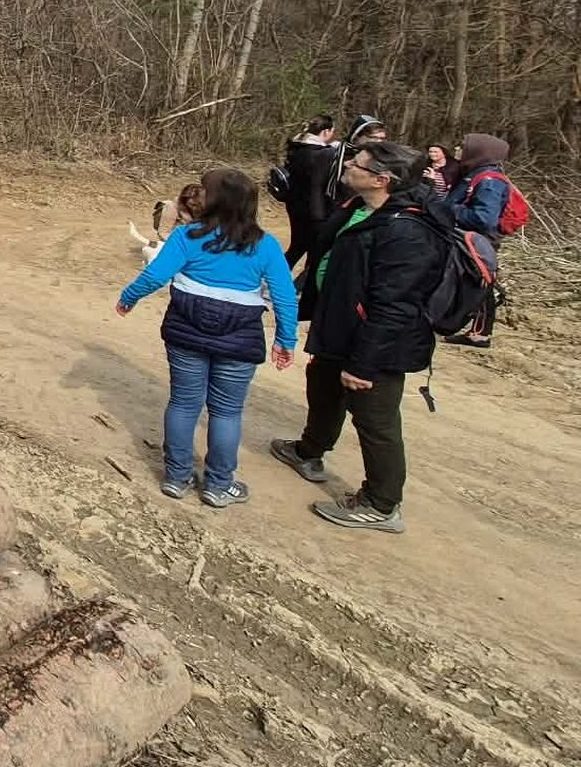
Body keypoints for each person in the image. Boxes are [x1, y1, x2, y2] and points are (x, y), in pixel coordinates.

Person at [270, 141, 444, 534]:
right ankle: (309, 452)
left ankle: (381, 504)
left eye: (358, 163)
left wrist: (364, 363)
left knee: (375, 419)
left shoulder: (408, 231)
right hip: (339, 325)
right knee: (324, 387)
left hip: (377, 343)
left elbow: (395, 305)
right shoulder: (357, 207)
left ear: (383, 180)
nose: (348, 164)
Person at [115, 169, 298, 505]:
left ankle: (177, 477)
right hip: (240, 339)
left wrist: (128, 298)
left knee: (184, 403)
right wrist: (285, 341)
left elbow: (155, 274)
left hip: (186, 331)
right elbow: (284, 296)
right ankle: (218, 485)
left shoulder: (188, 237)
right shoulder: (265, 246)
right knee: (227, 412)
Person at [445, 133, 515, 345]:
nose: (457, 149)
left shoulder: (489, 181)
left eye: (462, 146)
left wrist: (451, 210)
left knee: (482, 282)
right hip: (468, 237)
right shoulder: (472, 173)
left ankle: (481, 333)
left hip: (479, 241)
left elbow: (484, 218)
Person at [281, 114, 339, 267]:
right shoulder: (322, 153)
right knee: (313, 253)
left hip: (295, 206)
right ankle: (296, 286)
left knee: (297, 247)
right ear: (326, 131)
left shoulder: (296, 148)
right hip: (314, 211)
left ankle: (272, 280)